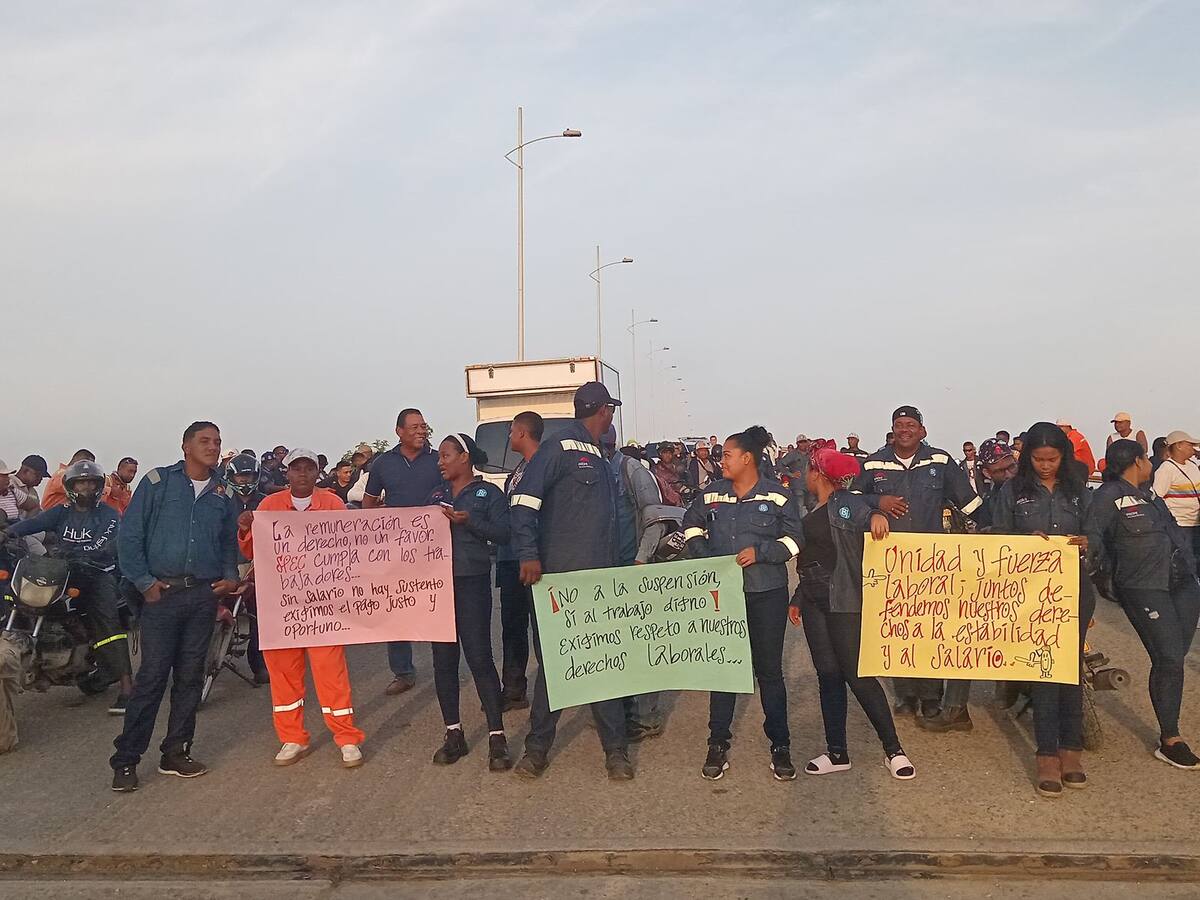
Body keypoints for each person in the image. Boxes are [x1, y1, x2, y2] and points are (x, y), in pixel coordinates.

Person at [509, 382, 632, 780]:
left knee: (604, 662)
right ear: (605, 411)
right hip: (562, 579)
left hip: (601, 576)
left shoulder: (601, 455)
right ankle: (537, 751)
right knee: (560, 666)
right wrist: (528, 554)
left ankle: (616, 752)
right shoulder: (560, 447)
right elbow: (525, 502)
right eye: (610, 409)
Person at [110, 422, 239, 792]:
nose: (213, 447)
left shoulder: (224, 491)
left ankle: (176, 752)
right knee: (151, 679)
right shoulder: (156, 484)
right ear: (185, 446)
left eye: (217, 442)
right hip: (162, 597)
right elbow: (130, 536)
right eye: (204, 441)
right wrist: (144, 582)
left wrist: (230, 576)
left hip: (202, 596)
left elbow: (229, 542)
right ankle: (126, 759)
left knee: (190, 677)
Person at [682, 426, 804, 782]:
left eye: (728, 455)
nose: (723, 461)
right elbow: (690, 525)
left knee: (769, 672)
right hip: (724, 596)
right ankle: (717, 743)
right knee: (724, 670)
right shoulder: (711, 495)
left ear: (747, 458)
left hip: (767, 592)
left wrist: (762, 552)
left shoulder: (778, 495)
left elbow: (796, 540)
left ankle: (780, 745)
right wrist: (707, 558)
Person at [789, 448, 914, 781]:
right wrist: (798, 597)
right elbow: (811, 558)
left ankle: (894, 750)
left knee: (858, 676)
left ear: (818, 473)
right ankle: (837, 752)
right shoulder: (812, 507)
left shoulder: (845, 502)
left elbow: (866, 514)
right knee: (828, 675)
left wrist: (876, 515)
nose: (804, 474)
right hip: (814, 600)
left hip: (843, 600)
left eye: (808, 469)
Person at [852, 406, 981, 721]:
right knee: (897, 627)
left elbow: (971, 502)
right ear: (892, 430)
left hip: (931, 562)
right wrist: (876, 505)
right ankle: (905, 694)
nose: (905, 430)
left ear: (922, 431)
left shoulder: (939, 461)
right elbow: (851, 500)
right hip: (890, 560)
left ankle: (930, 695)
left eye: (911, 425)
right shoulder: (874, 462)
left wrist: (1000, 533)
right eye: (899, 425)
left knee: (930, 628)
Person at [237, 449, 364, 768]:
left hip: (323, 608)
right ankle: (292, 738)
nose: (303, 474)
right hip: (281, 608)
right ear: (287, 474)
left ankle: (346, 738)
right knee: (284, 675)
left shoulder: (333, 504)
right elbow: (252, 549)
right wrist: (244, 528)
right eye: (297, 468)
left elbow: (351, 548)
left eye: (309, 468)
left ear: (318, 472)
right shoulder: (269, 506)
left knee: (332, 674)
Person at [989, 422, 1093, 796]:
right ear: (1027, 456)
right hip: (1031, 594)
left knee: (1070, 671)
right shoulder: (1011, 491)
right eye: (1038, 459)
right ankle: (1046, 754)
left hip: (1075, 589)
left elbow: (1101, 535)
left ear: (1063, 457)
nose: (1045, 466)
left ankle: (1072, 749)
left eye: (1052, 459)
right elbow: (996, 535)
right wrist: (1021, 540)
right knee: (1044, 670)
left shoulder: (1080, 491)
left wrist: (1088, 541)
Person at [1086, 440, 1200, 770]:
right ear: (1137, 461)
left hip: (1180, 584)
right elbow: (1092, 537)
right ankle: (1170, 739)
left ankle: (1169, 725)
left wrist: (1191, 574)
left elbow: (1176, 534)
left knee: (1174, 657)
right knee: (1167, 656)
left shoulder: (1150, 494)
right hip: (1143, 588)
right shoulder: (1108, 496)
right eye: (1147, 458)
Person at [4, 459, 134, 712]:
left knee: (108, 625)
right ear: (71, 485)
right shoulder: (62, 510)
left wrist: (83, 552)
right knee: (17, 597)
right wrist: (8, 533)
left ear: (98, 486)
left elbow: (106, 540)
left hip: (97, 574)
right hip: (65, 572)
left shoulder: (107, 514)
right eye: (80, 482)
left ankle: (128, 687)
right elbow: (34, 523)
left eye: (90, 482)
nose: (85, 487)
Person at [919, 437, 1018, 734]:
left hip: (1035, 580)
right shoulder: (993, 500)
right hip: (1001, 579)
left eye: (1011, 466)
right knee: (965, 637)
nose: (1009, 474)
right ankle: (955, 708)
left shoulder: (1037, 490)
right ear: (988, 473)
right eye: (1001, 471)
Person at [426, 434, 512, 770]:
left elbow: (504, 534)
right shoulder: (435, 496)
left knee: (479, 656)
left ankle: (496, 736)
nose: (440, 462)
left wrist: (470, 521)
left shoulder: (488, 493)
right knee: (443, 660)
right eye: (439, 457)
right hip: (437, 586)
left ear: (465, 458)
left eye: (446, 456)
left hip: (472, 582)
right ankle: (453, 734)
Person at [363, 408, 442, 696]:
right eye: (414, 427)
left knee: (437, 606)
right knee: (396, 609)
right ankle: (403, 672)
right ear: (399, 431)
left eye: (424, 426)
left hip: (434, 549)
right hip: (395, 551)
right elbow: (368, 504)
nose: (421, 431)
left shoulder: (437, 460)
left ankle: (444, 668)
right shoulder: (383, 463)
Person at [606, 424, 672, 742]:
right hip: (606, 573)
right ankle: (618, 710)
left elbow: (656, 519)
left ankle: (646, 716)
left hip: (633, 567)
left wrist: (641, 560)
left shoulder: (632, 470)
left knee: (641, 644)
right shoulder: (591, 470)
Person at [495, 411, 543, 710]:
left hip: (534, 560)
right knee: (512, 627)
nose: (509, 436)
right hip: (511, 558)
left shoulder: (542, 468)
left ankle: (554, 691)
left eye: (511, 431)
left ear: (522, 433)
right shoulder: (519, 470)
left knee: (542, 630)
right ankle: (513, 689)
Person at [225, 453, 269, 684]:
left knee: (258, 617)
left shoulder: (267, 502)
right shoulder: (219, 501)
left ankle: (259, 665)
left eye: (249, 475)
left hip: (255, 566)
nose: (244, 480)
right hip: (225, 564)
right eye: (240, 476)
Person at [1153, 431, 1200, 573]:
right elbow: (1157, 497)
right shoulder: (1166, 469)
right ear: (1178, 446)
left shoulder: (1192, 466)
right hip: (1180, 526)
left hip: (1196, 523)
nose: (1194, 448)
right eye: (1190, 444)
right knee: (1186, 563)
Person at [652, 442, 685, 506]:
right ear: (660, 454)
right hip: (664, 504)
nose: (668, 455)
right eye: (665, 453)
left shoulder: (680, 468)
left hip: (681, 502)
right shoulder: (655, 470)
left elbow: (689, 482)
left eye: (670, 453)